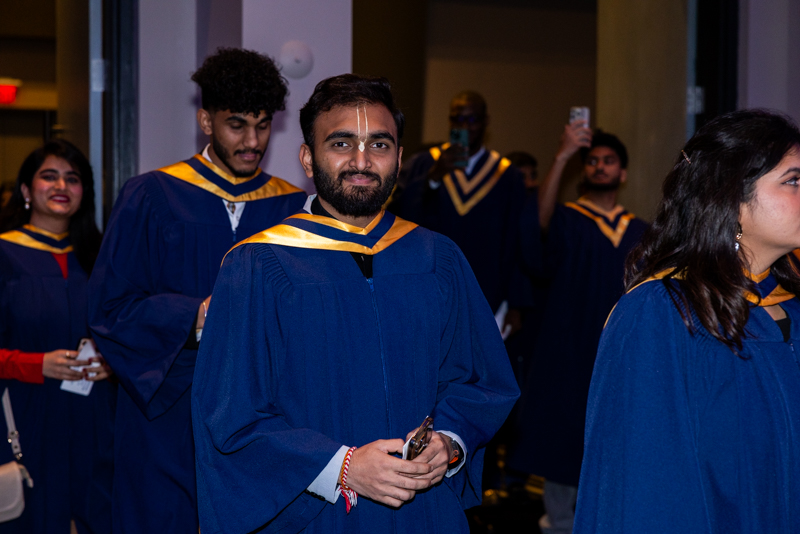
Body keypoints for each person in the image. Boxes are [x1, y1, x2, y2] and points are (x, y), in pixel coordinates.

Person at [191, 74, 520, 534]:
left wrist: (449, 441)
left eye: (380, 145)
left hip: (424, 515)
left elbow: (482, 380)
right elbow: (230, 417)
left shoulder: (437, 258)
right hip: (314, 515)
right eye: (342, 143)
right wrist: (342, 467)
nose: (362, 160)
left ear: (400, 158)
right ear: (308, 157)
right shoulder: (259, 265)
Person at [88, 47, 307, 533]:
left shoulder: (294, 209)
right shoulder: (150, 195)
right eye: (236, 125)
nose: (253, 141)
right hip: (167, 406)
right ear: (206, 122)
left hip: (262, 410)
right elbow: (109, 307)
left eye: (263, 125)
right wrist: (194, 317)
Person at [574, 109, 800, 533]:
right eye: (793, 181)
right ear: (731, 197)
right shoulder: (661, 313)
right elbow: (645, 488)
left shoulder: (791, 308)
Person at [509, 124, 647, 534]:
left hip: (620, 354)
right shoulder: (568, 218)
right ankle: (559, 525)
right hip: (567, 352)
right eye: (593, 161)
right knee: (563, 440)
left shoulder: (641, 231)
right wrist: (563, 155)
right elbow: (535, 229)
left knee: (618, 441)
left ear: (622, 173)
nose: (600, 167)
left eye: (608, 162)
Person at [0, 140, 114, 533]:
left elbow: (127, 332)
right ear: (27, 191)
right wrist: (36, 364)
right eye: (49, 176)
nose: (61, 185)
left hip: (93, 416)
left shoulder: (102, 258)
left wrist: (111, 364)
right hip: (25, 410)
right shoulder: (4, 254)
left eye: (73, 178)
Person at [388, 91, 525, 317]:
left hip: (488, 285)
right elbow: (400, 218)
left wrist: (515, 301)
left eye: (472, 120)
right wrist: (433, 178)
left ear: (485, 122)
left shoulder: (506, 175)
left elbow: (516, 239)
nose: (465, 127)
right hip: (431, 281)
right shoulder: (425, 163)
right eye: (457, 119)